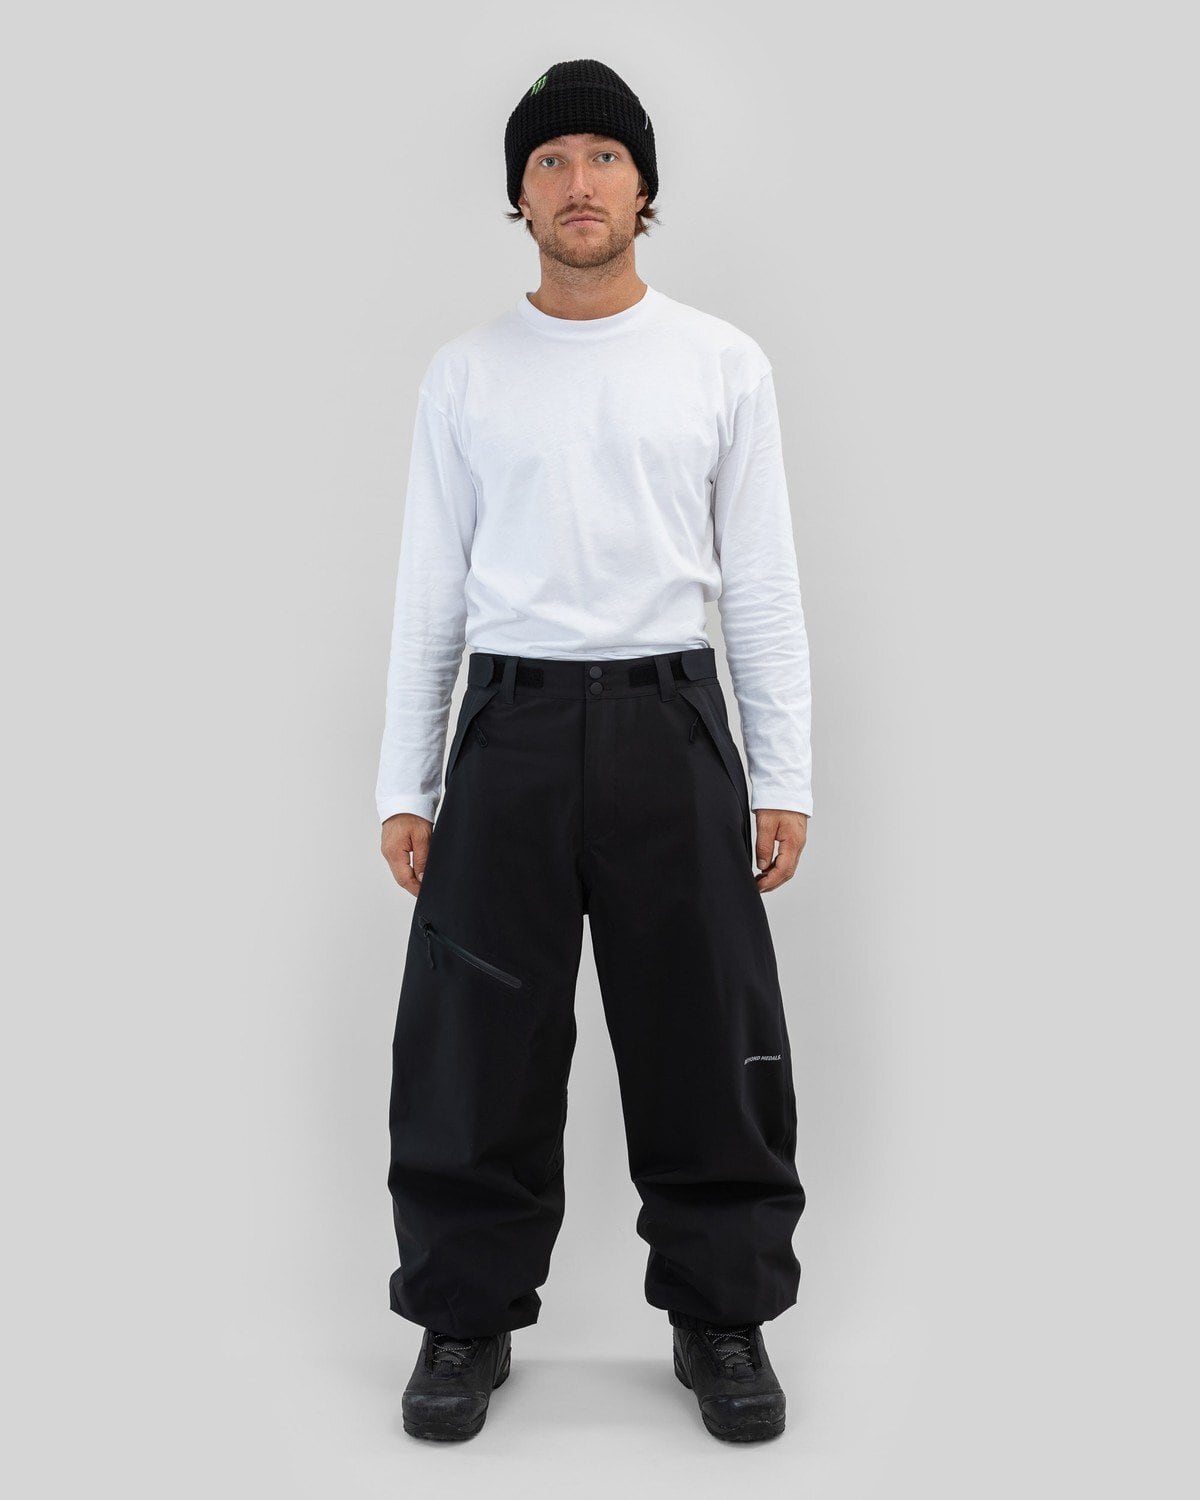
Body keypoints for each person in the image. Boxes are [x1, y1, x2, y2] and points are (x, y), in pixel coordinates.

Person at [377, 58, 812, 1444]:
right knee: (474, 1041)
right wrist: (405, 783)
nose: (580, 183)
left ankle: (721, 1312)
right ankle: (464, 1315)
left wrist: (784, 773)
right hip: (507, 728)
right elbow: (430, 590)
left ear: (643, 186)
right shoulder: (467, 374)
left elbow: (761, 583)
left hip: (669, 723)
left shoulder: (720, 363)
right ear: (520, 195)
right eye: (552, 161)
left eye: (605, 158)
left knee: (705, 1032)